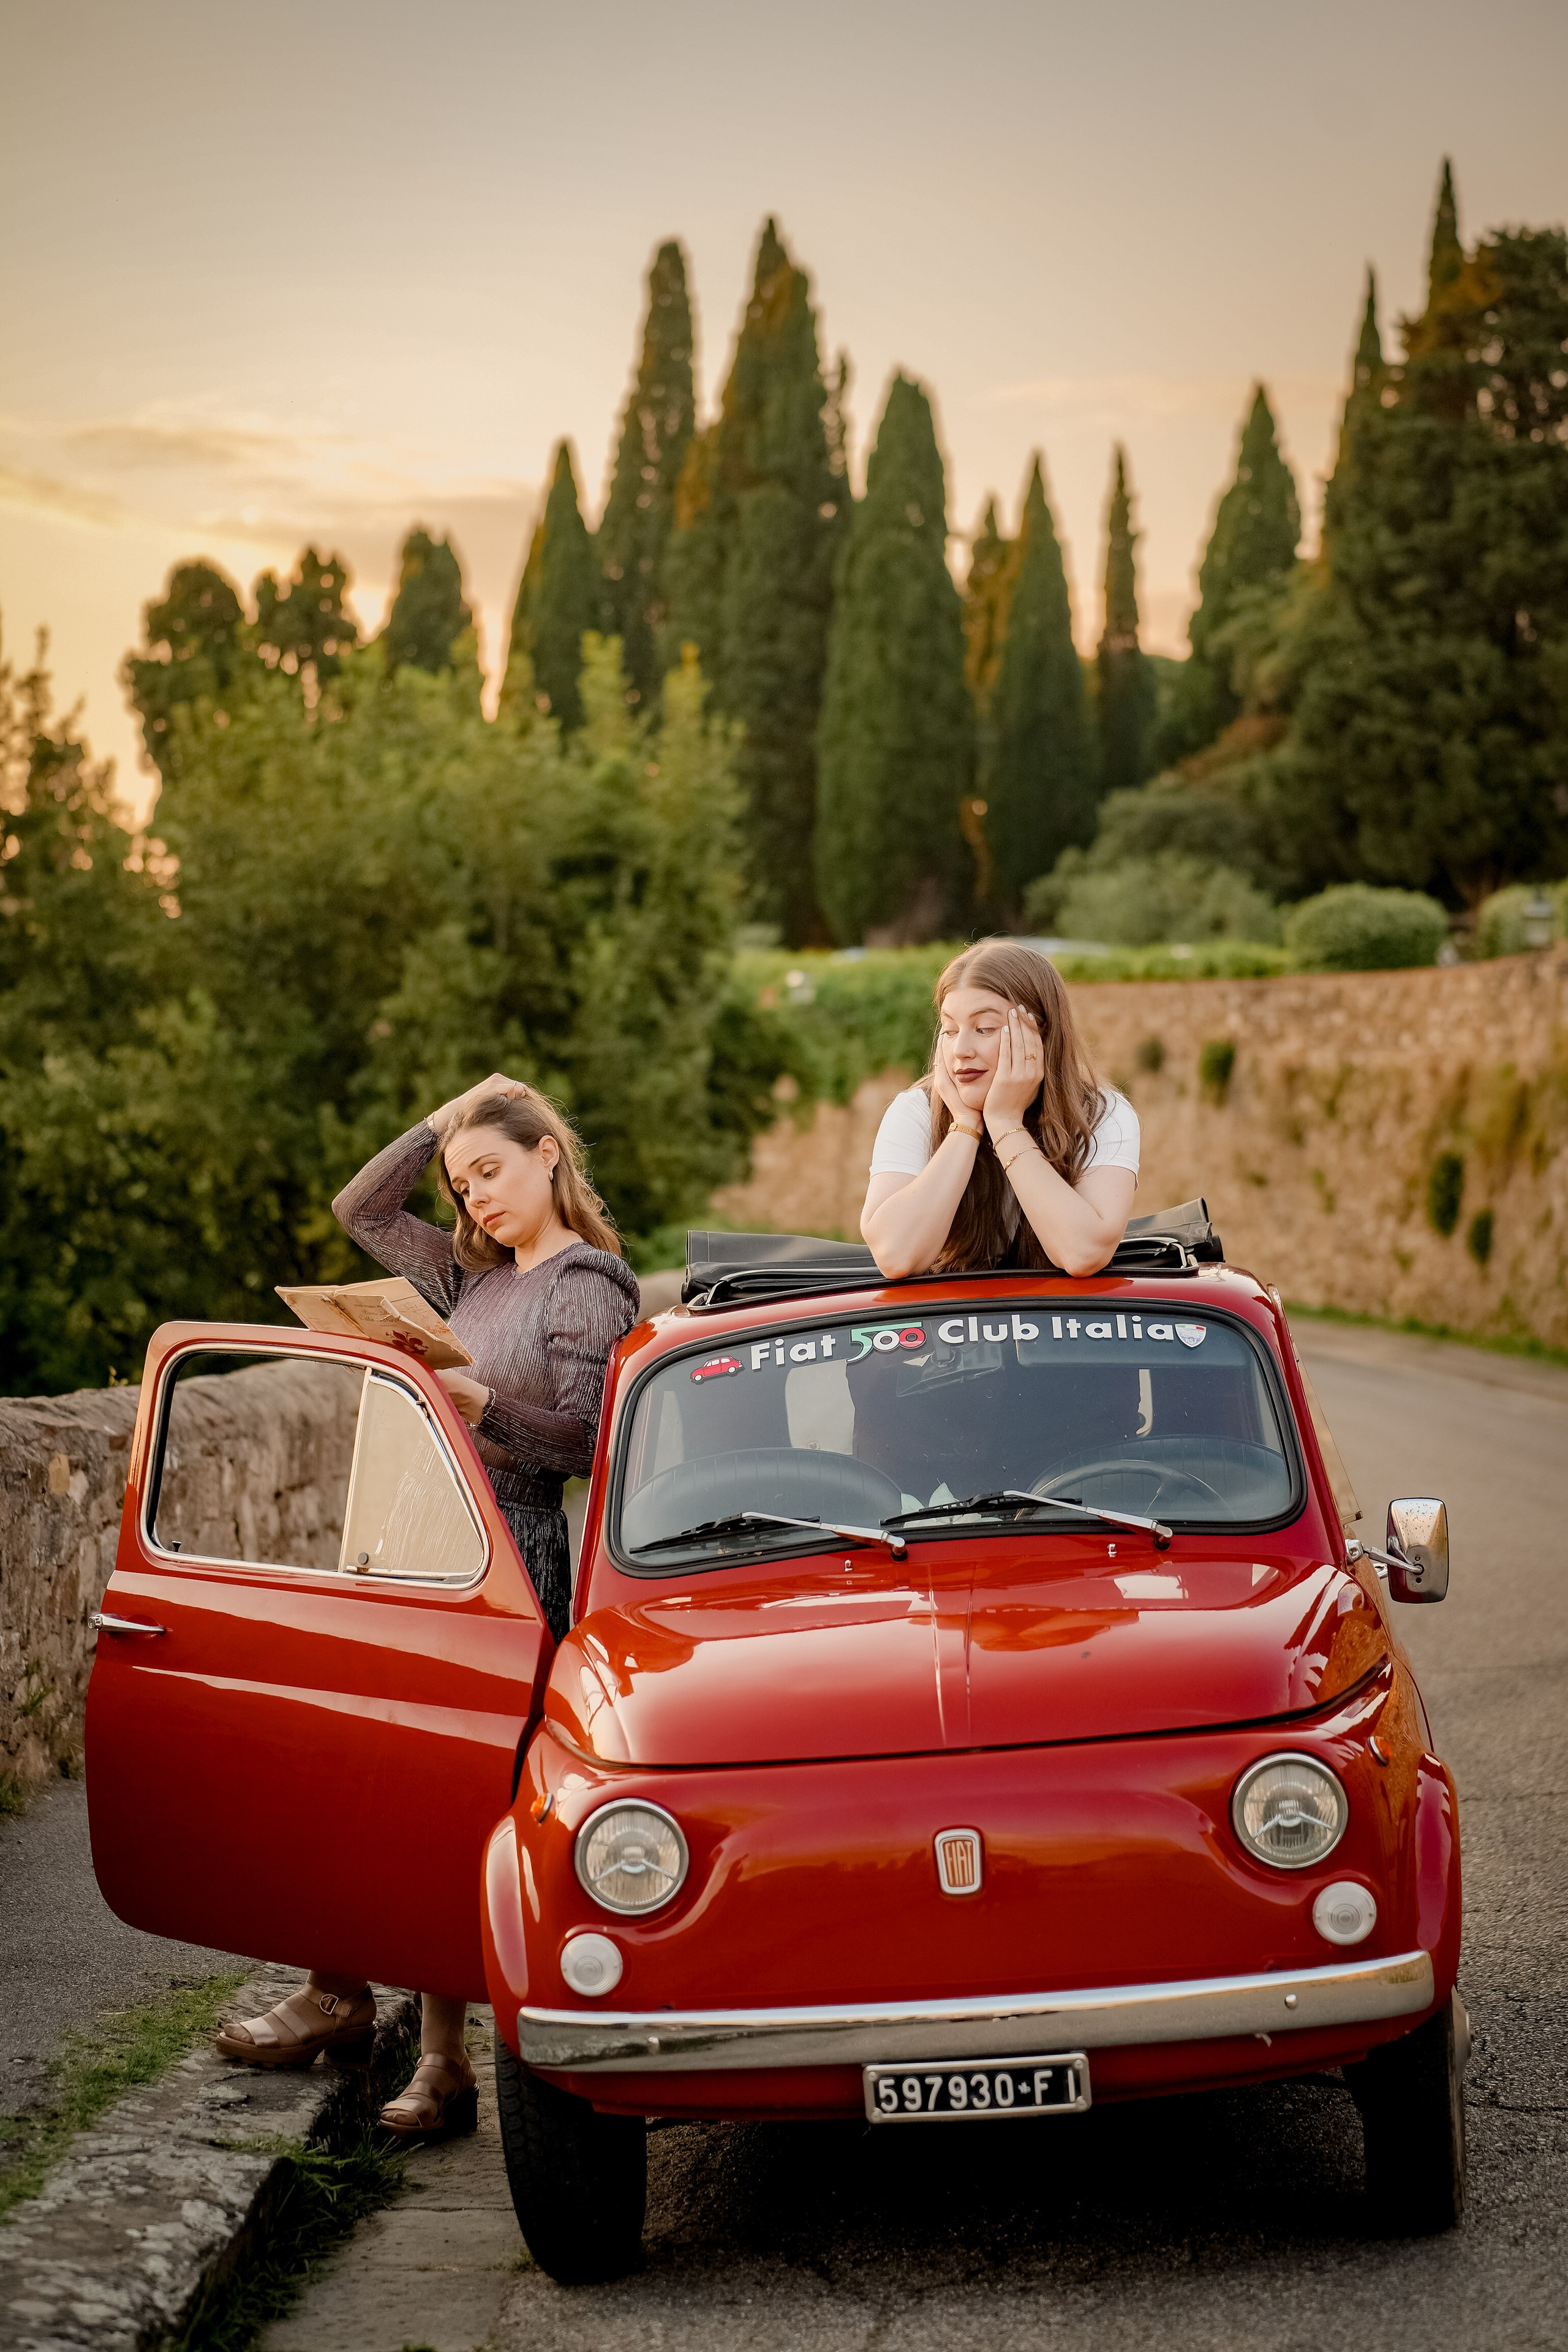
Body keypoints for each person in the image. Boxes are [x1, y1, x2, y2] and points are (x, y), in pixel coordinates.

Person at [214, 1077, 638, 2141]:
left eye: (491, 1170)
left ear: (550, 1154)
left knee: (455, 1800)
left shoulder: (590, 1281)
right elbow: (359, 1212)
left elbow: (590, 1443)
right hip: (415, 1546)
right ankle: (353, 2001)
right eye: (461, 1184)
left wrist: (478, 1401)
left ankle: (435, 2052)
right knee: (372, 1779)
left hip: (507, 1553)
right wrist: (451, 1114)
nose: (476, 1197)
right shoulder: (466, 1278)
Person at [861, 939, 1139, 1278]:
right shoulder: (915, 1111)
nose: (961, 1049)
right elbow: (896, 1256)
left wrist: (1006, 1123)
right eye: (950, 1030)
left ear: (1041, 1034)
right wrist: (966, 1123)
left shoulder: (1103, 1115)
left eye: (985, 1029)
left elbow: (1083, 1253)